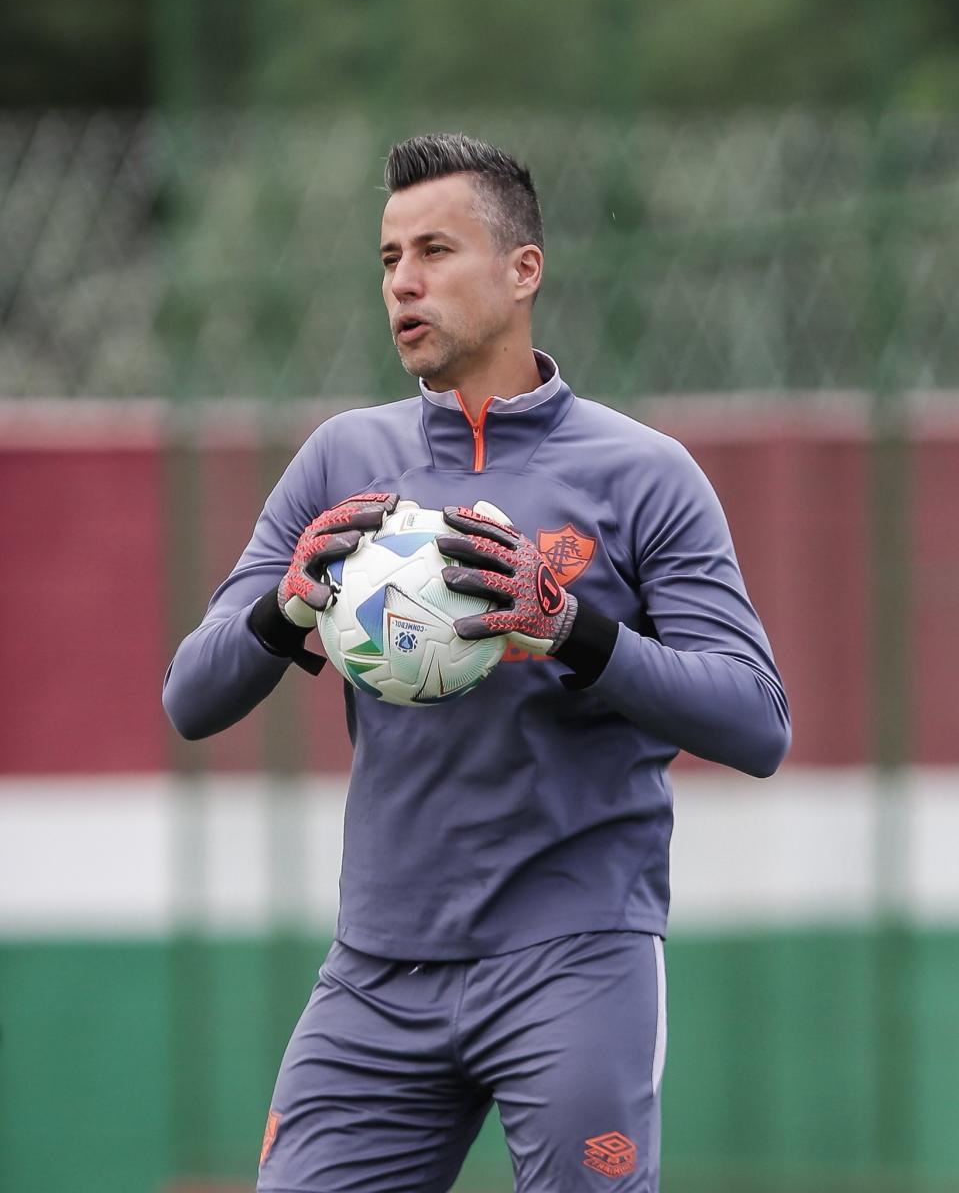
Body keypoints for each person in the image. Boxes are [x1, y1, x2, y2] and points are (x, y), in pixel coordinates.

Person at [163, 132, 790, 1193]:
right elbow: (191, 698)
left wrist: (571, 629)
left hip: (574, 960)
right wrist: (284, 606)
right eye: (388, 258)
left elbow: (756, 721)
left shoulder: (644, 475)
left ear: (522, 269)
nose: (402, 283)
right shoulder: (341, 462)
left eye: (435, 251)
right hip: (377, 971)